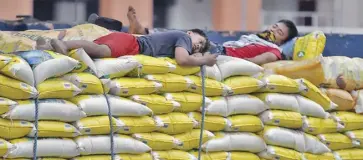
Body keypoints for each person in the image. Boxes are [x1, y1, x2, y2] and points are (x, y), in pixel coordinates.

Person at [88, 6, 298, 65]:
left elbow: (254, 62)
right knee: (176, 37)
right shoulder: (258, 39)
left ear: (283, 41)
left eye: (278, 32)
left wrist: (220, 61)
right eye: (274, 26)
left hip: (221, 52)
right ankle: (138, 31)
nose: (272, 30)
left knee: (180, 38)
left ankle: (140, 31)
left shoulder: (274, 51)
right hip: (218, 46)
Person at [36, 9, 217, 67]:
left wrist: (200, 56)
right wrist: (204, 60)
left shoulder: (182, 40)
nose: (198, 47)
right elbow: (182, 59)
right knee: (100, 51)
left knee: (92, 52)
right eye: (199, 42)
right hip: (132, 44)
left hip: (128, 41)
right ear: (190, 33)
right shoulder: (183, 38)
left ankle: (48, 48)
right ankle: (63, 44)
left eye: (201, 48)